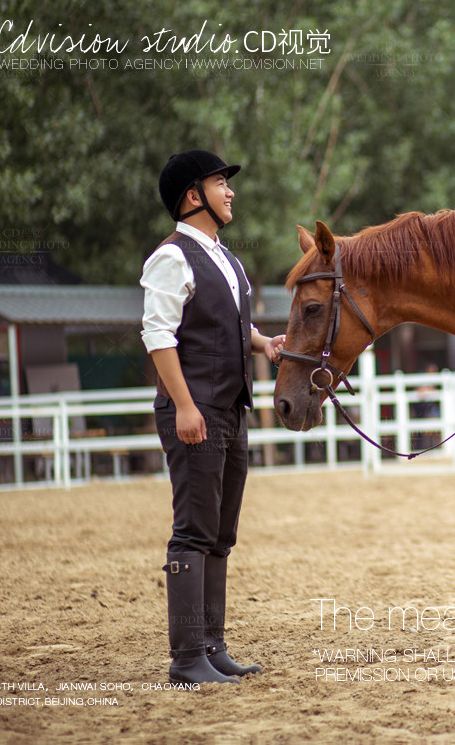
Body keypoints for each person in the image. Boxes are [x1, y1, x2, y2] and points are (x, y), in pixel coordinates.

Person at [141, 149, 286, 684]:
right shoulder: (171, 257)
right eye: (221, 183)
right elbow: (158, 335)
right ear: (192, 195)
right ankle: (185, 659)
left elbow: (227, 325)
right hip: (194, 411)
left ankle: (211, 646)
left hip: (229, 409)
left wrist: (265, 343)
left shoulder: (227, 258)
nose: (231, 192)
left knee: (220, 534)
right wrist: (183, 405)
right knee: (192, 533)